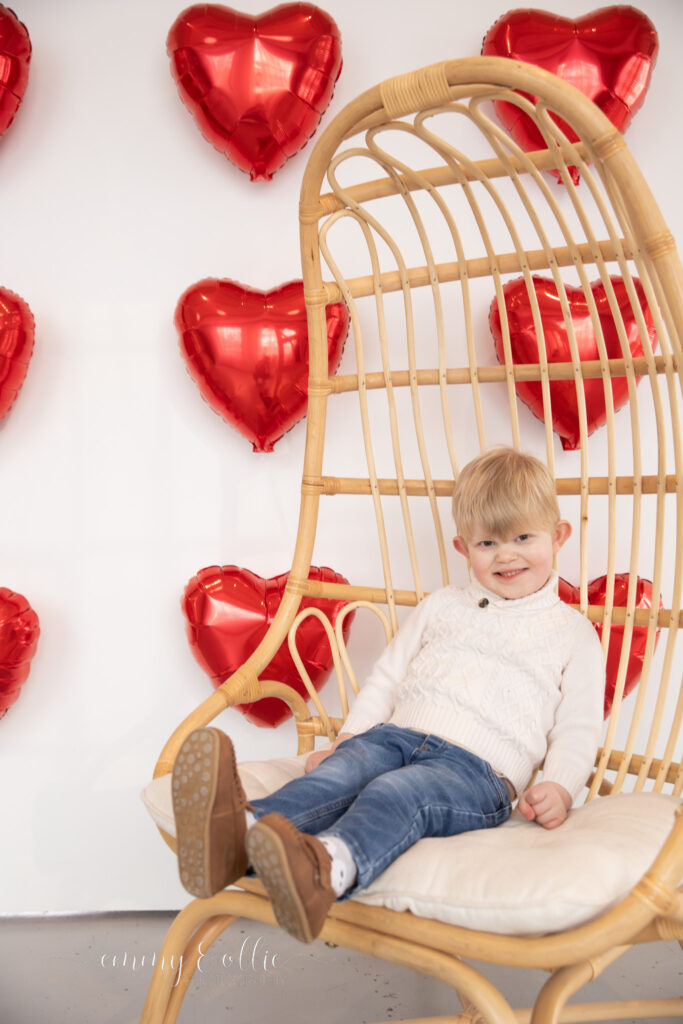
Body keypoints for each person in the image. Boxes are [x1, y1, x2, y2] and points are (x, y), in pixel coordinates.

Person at [172, 447, 605, 943]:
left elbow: (578, 725)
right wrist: (350, 737)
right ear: (463, 549)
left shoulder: (572, 633)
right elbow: (388, 677)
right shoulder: (441, 607)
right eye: (488, 542)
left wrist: (561, 785)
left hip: (479, 772)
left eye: (523, 537)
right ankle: (236, 836)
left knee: (397, 794)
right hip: (394, 737)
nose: (506, 555)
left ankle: (327, 870)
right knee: (343, 773)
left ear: (559, 536)